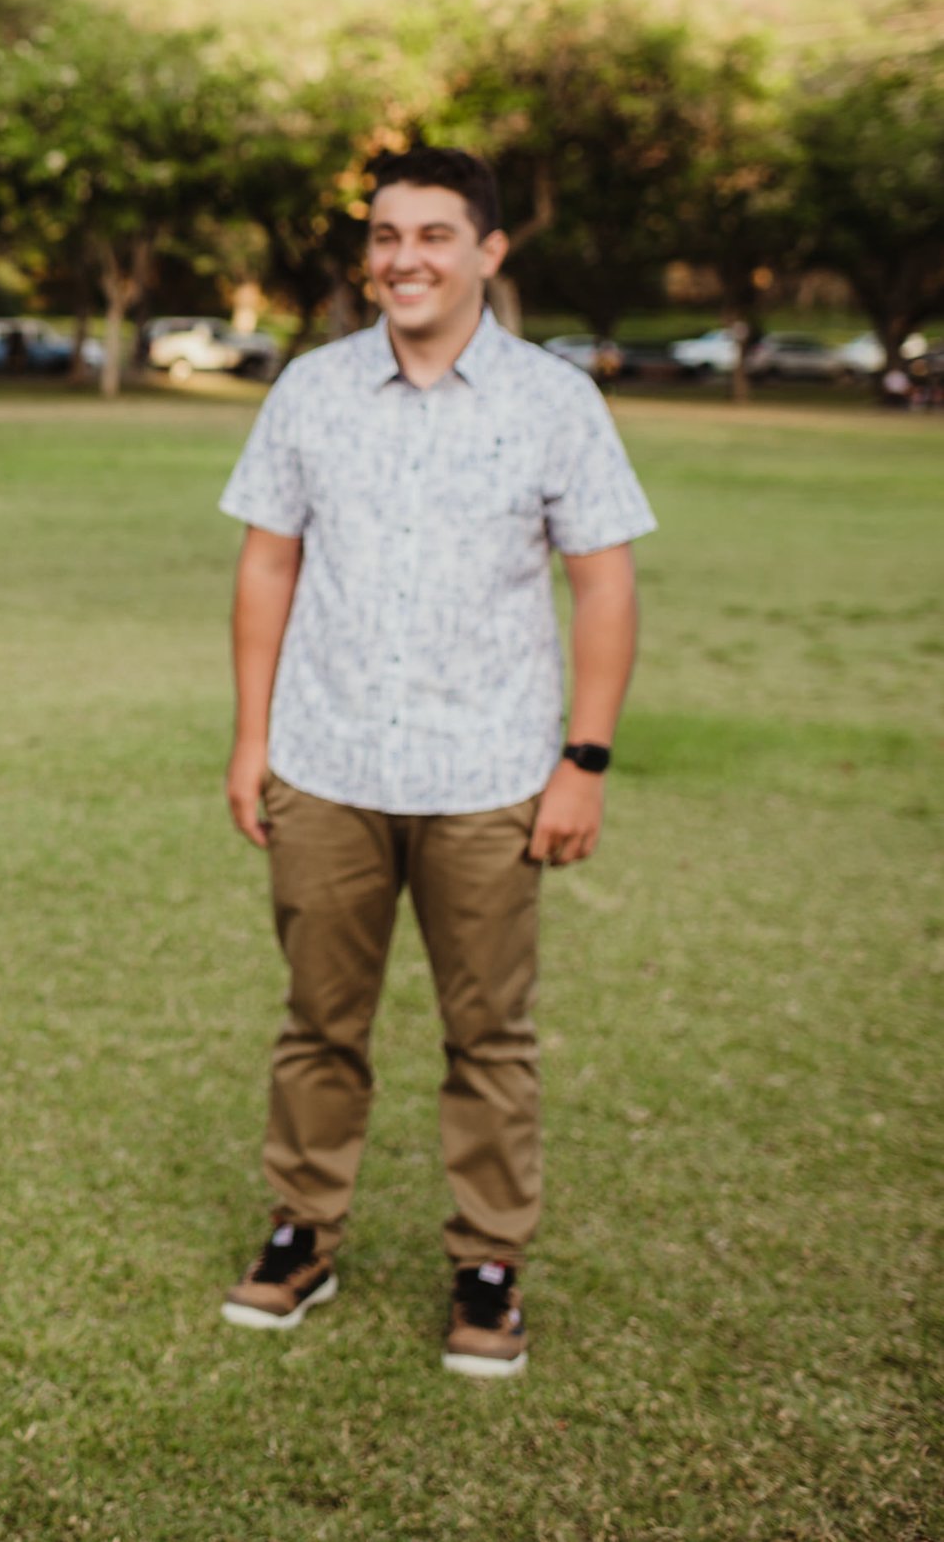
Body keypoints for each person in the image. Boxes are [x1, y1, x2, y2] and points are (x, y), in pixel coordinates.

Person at [214, 146, 656, 1379]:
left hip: (489, 776)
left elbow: (603, 579)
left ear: (488, 253)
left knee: (490, 1037)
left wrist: (585, 759)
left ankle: (488, 1263)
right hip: (327, 762)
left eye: (433, 235)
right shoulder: (309, 389)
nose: (403, 258)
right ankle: (303, 1231)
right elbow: (266, 564)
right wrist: (253, 738)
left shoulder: (554, 400)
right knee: (318, 1022)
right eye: (385, 235)